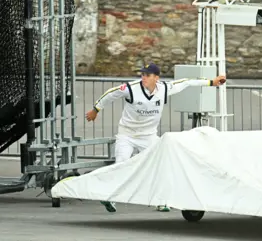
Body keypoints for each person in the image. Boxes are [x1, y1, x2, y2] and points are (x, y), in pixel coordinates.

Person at [85, 62, 227, 213]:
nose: (143, 77)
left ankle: (161, 201)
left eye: (147, 75)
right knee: (121, 164)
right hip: (127, 135)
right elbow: (111, 94)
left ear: (156, 78)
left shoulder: (165, 88)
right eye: (142, 74)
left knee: (162, 165)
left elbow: (187, 82)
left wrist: (211, 82)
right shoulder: (131, 88)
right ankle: (110, 198)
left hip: (148, 137)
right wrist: (96, 109)